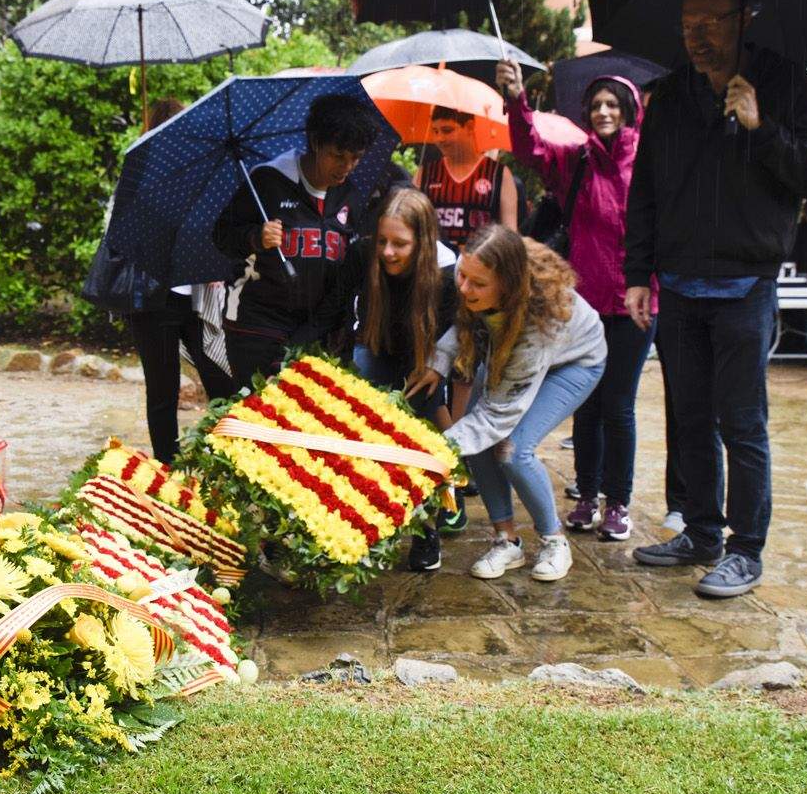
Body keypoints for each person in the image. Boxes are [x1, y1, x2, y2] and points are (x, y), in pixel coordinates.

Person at [622, 0, 807, 599]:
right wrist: (637, 273)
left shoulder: (790, 86)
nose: (697, 36)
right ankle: (702, 532)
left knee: (741, 422)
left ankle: (745, 549)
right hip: (680, 284)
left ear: (745, 19)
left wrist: (761, 128)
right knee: (688, 417)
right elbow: (646, 192)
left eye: (710, 22)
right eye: (688, 25)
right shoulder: (670, 96)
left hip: (746, 283)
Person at [499, 59, 652, 543]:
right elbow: (529, 149)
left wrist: (649, 284)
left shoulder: (647, 163)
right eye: (597, 106)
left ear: (629, 112)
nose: (604, 112)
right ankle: (586, 495)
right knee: (584, 403)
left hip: (633, 302)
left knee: (618, 405)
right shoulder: (577, 159)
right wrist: (517, 100)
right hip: (582, 306)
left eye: (613, 105)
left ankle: (617, 503)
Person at [409, 226, 606, 583]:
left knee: (512, 449)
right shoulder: (475, 276)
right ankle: (506, 540)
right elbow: (467, 318)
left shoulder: (537, 323)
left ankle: (553, 541)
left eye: (477, 283)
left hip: (573, 361)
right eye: (463, 277)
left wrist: (434, 451)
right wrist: (437, 362)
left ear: (508, 285)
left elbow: (496, 417)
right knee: (478, 446)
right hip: (508, 350)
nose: (465, 288)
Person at [212, 94, 380, 387]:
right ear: (315, 142)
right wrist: (255, 237)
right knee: (257, 416)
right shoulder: (267, 181)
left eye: (356, 158)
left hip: (317, 331)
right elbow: (222, 236)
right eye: (338, 155)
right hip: (258, 325)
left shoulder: (350, 196)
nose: (347, 166)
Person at [349, 188, 460, 571]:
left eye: (400, 244)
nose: (388, 252)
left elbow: (458, 328)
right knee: (368, 437)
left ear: (423, 242)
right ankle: (367, 525)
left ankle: (427, 528)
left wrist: (436, 366)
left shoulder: (448, 275)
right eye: (382, 241)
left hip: (424, 357)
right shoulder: (365, 256)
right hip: (375, 346)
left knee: (419, 441)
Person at [125, 98, 237, 462]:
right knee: (163, 388)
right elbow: (126, 236)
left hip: (197, 294)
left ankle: (223, 458)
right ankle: (166, 466)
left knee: (219, 377)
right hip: (153, 298)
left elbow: (217, 228)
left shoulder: (203, 172)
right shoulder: (141, 173)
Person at [416, 107, 526, 254]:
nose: (439, 138)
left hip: (480, 266)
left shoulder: (498, 174)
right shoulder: (425, 173)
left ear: (469, 127)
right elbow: (410, 223)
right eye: (435, 131)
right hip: (434, 267)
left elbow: (510, 234)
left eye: (447, 130)